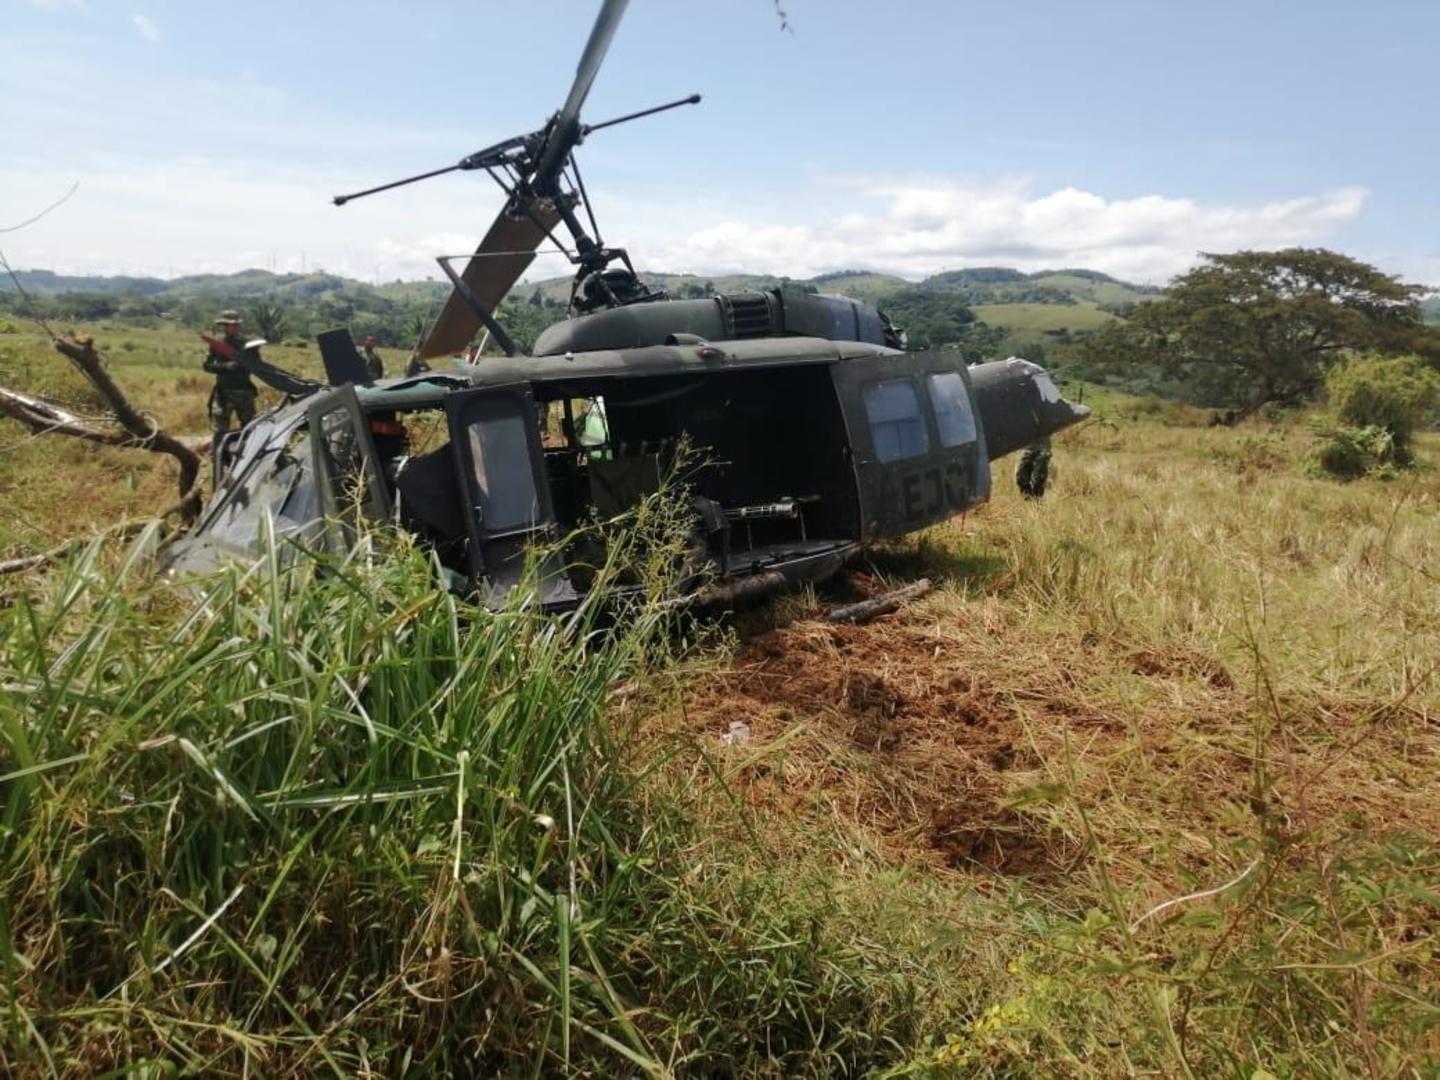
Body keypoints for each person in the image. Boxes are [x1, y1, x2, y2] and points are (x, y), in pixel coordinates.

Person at [203, 310, 259, 440]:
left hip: (245, 392)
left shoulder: (248, 344)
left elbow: (257, 366)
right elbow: (207, 366)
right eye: (227, 325)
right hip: (224, 393)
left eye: (234, 324)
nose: (231, 327)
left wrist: (245, 364)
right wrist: (225, 366)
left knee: (249, 429)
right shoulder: (217, 344)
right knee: (220, 431)